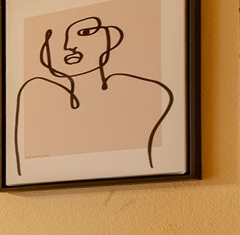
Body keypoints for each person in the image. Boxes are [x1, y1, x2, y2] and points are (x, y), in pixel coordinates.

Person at [13, 14, 172, 172]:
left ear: (110, 38)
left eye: (85, 32)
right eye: (52, 36)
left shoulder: (144, 90)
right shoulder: (35, 92)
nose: (69, 46)